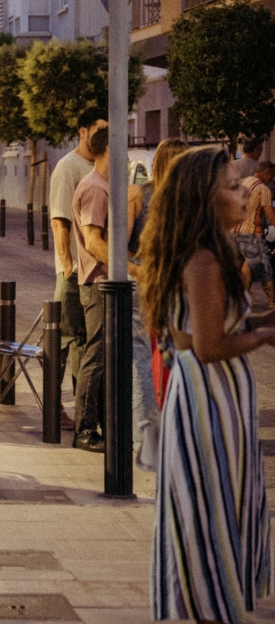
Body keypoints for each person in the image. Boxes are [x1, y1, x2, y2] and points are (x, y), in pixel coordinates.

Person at [139, 146, 275, 624]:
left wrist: (258, 322)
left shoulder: (204, 253)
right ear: (206, 198)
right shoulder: (204, 260)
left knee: (212, 506)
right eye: (233, 187)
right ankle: (212, 606)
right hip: (210, 400)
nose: (246, 194)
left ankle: (211, 602)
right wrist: (264, 335)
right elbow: (209, 345)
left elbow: (202, 330)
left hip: (209, 396)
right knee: (212, 508)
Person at [128, 137, 189, 469]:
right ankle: (179, 429)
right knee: (178, 353)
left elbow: (122, 244)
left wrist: (136, 270)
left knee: (142, 354)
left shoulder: (141, 195)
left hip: (146, 282)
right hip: (180, 285)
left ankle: (147, 437)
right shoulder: (192, 200)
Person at [49, 106, 107, 398]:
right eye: (101, 130)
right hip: (73, 271)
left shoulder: (104, 165)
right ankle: (54, 407)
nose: (106, 137)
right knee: (64, 338)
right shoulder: (68, 166)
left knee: (83, 342)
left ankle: (83, 405)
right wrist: (67, 267)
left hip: (93, 272)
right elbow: (59, 222)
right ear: (83, 132)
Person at [69, 126, 117, 452]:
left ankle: (100, 423)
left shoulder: (102, 185)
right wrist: (131, 269)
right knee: (96, 355)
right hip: (99, 283)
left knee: (103, 355)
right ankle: (84, 430)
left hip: (102, 282)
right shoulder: (96, 188)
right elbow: (94, 242)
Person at [231, 160, 275, 306]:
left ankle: (240, 302)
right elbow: (270, 214)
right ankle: (272, 303)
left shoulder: (241, 183)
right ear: (267, 172)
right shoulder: (263, 189)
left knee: (245, 268)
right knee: (265, 269)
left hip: (232, 232)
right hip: (251, 234)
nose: (272, 179)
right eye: (272, 175)